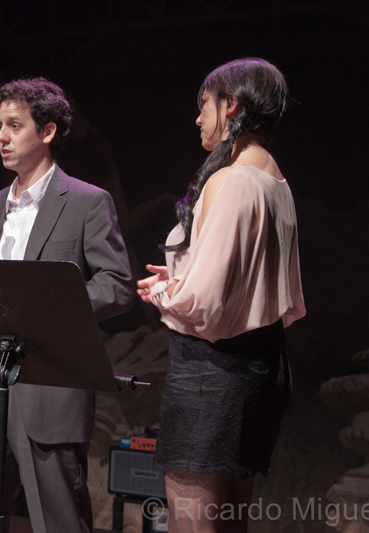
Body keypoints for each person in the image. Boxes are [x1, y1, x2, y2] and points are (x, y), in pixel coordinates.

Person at [136, 58, 306, 532]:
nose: (198, 118)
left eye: (204, 105)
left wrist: (167, 292)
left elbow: (208, 303)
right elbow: (248, 285)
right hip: (258, 366)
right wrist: (180, 281)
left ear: (230, 106)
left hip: (215, 373)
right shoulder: (275, 180)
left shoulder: (231, 181)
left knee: (193, 524)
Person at [0, 78, 135, 533]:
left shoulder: (87, 202)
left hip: (50, 387)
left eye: (14, 126)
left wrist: (43, 307)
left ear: (48, 132)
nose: (2, 137)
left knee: (57, 521)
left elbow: (116, 285)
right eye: (0, 126)